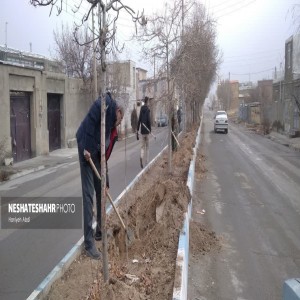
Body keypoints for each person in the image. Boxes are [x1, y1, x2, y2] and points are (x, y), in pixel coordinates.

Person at [76, 92, 124, 259]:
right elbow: (90, 121)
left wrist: (107, 182)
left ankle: (100, 232)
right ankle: (89, 244)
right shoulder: (104, 103)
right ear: (118, 111)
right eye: (120, 120)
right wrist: (87, 149)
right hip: (85, 148)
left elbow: (105, 158)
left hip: (96, 153)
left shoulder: (111, 130)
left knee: (101, 190)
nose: (118, 124)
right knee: (88, 196)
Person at [137, 96, 151, 168]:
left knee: (142, 147)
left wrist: (137, 130)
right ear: (147, 101)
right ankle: (147, 162)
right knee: (147, 147)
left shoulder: (141, 109)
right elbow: (148, 120)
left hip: (142, 131)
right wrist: (150, 129)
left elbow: (139, 120)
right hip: (147, 131)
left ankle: (141, 157)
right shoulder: (148, 110)